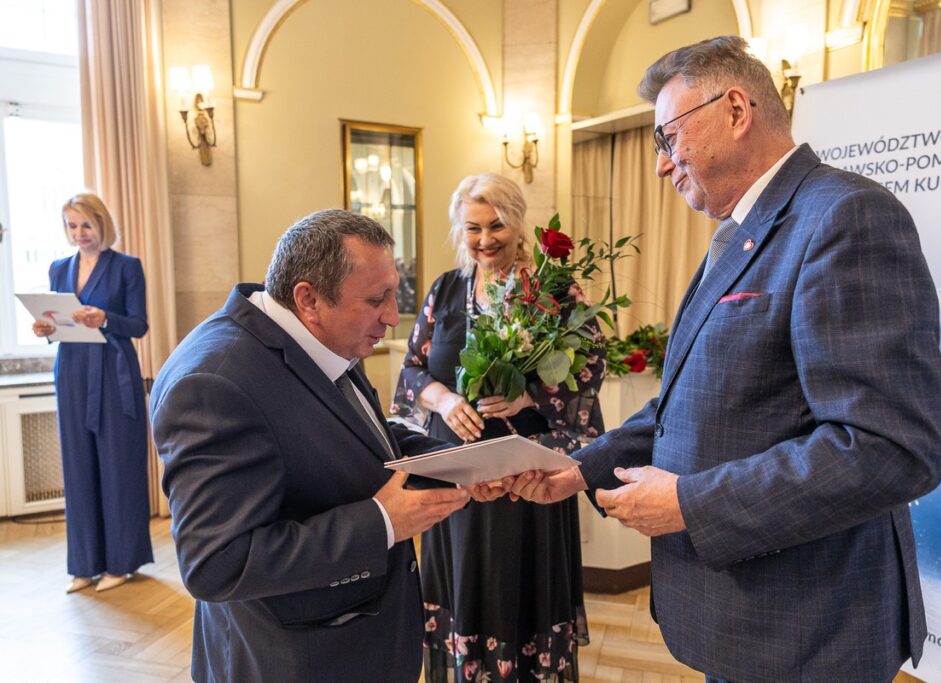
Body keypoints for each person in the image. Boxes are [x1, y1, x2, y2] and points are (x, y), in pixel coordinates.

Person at [508, 36, 941, 683]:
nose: (661, 165)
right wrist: (578, 469)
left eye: (666, 138)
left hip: (811, 628)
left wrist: (691, 504)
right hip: (749, 626)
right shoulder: (736, 235)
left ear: (736, 110)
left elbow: (889, 447)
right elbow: (689, 403)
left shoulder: (845, 217)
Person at [150, 210, 471, 683]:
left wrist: (463, 465)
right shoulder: (216, 384)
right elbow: (216, 564)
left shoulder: (320, 336)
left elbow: (359, 434)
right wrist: (383, 522)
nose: (392, 315)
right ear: (309, 299)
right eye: (377, 299)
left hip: (359, 644)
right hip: (296, 660)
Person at [391, 173, 604, 681]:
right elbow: (412, 370)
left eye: (496, 226)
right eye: (473, 228)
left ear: (518, 222)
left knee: (520, 579)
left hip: (526, 475)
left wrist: (528, 395)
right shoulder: (445, 290)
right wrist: (443, 401)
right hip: (457, 473)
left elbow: (590, 366)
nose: (485, 239)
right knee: (464, 581)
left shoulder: (554, 292)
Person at [32, 192, 152, 594]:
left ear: (102, 224)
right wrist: (46, 330)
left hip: (114, 372)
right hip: (72, 373)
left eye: (86, 224)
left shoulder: (127, 267)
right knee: (78, 467)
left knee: (118, 467)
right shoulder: (58, 268)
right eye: (72, 225)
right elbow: (57, 320)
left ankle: (122, 562)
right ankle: (84, 565)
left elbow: (138, 325)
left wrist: (106, 318)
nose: (79, 233)